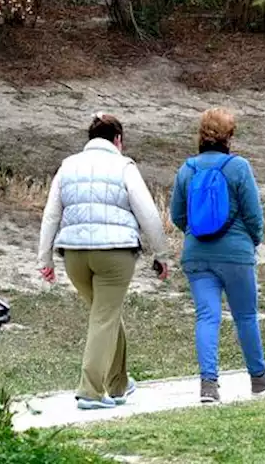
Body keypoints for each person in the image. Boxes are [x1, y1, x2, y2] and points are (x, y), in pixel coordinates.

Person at [37, 112, 170, 411]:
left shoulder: (67, 166)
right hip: (115, 254)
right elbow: (148, 212)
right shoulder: (124, 165)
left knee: (106, 314)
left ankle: (119, 382)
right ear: (118, 139)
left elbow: (51, 214)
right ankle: (91, 391)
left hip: (73, 256)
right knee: (104, 317)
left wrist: (44, 258)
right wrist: (160, 253)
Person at [170, 108, 265, 404]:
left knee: (207, 316)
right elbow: (253, 214)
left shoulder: (187, 169)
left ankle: (209, 385)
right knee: (245, 315)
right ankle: (259, 376)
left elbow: (177, 216)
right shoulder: (238, 167)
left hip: (196, 255)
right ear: (229, 137)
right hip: (235, 253)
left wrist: (197, 234)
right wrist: (251, 240)